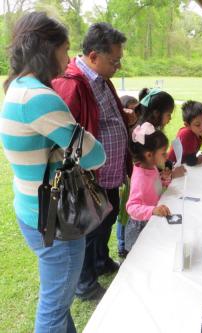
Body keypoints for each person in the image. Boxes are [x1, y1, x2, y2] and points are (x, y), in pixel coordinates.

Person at [0, 12, 106, 332]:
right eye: (65, 48)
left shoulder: (16, 86)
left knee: (58, 302)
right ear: (48, 50)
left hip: (32, 209)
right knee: (54, 306)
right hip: (53, 219)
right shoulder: (40, 98)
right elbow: (95, 155)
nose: (68, 56)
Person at [52, 23, 132, 300]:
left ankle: (101, 261)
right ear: (94, 56)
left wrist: (123, 117)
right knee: (88, 229)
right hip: (88, 177)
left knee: (106, 220)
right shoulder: (71, 83)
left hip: (109, 173)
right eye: (115, 60)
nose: (118, 66)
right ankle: (85, 284)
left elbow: (103, 116)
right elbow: (63, 136)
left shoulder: (101, 78)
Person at [125, 122, 171, 251]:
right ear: (149, 155)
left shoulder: (152, 167)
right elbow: (131, 207)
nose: (166, 156)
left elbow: (153, 187)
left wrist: (164, 180)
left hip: (151, 220)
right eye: (163, 153)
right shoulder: (140, 178)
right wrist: (153, 210)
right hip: (140, 227)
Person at [136, 87, 186, 178]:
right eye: (168, 114)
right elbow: (150, 173)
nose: (170, 118)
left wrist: (168, 166)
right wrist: (171, 174)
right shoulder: (147, 135)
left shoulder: (148, 130)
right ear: (156, 113)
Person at [116, 95, 139, 258]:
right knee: (123, 214)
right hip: (125, 179)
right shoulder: (123, 131)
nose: (134, 114)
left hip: (134, 177)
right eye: (130, 110)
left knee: (127, 213)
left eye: (136, 110)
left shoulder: (138, 129)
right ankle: (122, 245)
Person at [168, 100, 202, 166]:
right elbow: (191, 162)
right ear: (187, 125)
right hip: (171, 168)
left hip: (180, 166)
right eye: (197, 124)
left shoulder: (195, 132)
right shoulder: (187, 135)